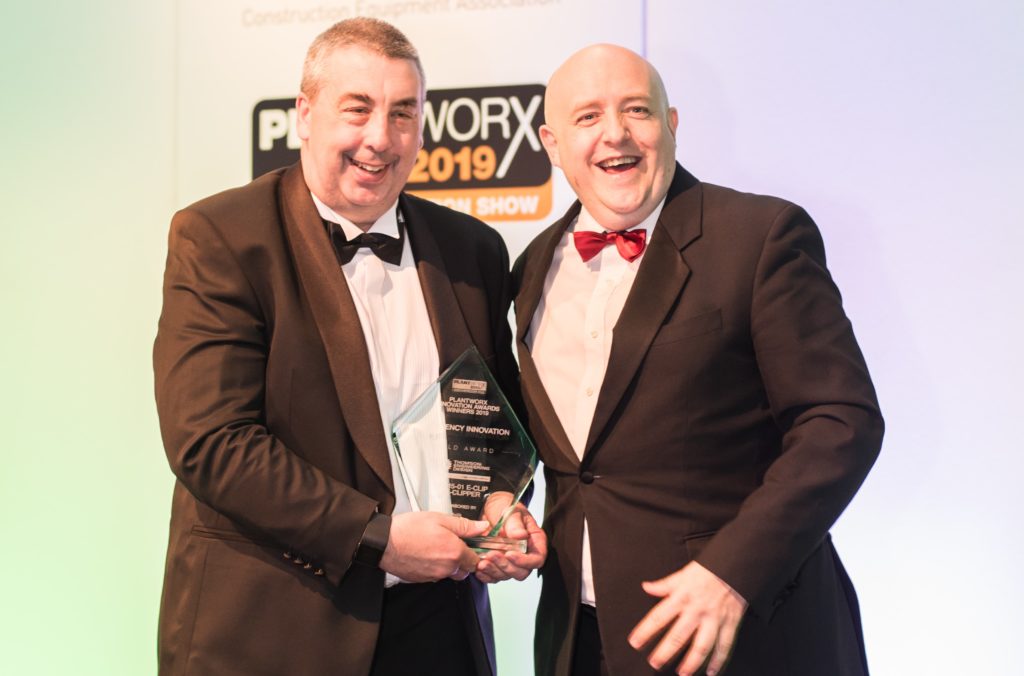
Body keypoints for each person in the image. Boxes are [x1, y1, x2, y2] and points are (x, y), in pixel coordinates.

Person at [153, 18, 544, 676]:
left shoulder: (471, 249)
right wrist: (377, 538)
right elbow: (211, 443)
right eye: (357, 109)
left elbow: (492, 423)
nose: (380, 138)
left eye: (402, 113)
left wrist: (503, 505)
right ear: (305, 115)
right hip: (275, 630)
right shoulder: (222, 237)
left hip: (440, 629)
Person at [514, 44, 883, 676]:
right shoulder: (530, 268)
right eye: (588, 116)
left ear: (672, 124)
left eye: (637, 110)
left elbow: (839, 422)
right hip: (580, 642)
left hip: (746, 638)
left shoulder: (760, 236)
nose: (615, 133)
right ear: (551, 143)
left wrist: (732, 572)